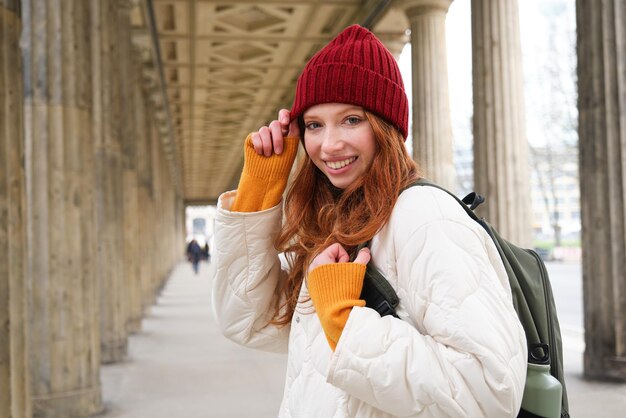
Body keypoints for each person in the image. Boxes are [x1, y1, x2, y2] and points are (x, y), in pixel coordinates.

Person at [212, 25, 527, 417]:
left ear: (387, 127)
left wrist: (347, 324)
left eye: (351, 120)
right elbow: (249, 321)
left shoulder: (424, 216)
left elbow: (490, 394)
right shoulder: (338, 220)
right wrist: (258, 194)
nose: (329, 145)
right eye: (314, 125)